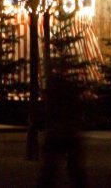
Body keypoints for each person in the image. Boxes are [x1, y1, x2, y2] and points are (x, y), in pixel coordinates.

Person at [37, 59, 87, 188]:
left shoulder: (53, 88)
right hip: (66, 131)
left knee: (51, 167)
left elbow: (50, 110)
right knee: (73, 166)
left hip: (58, 131)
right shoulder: (69, 88)